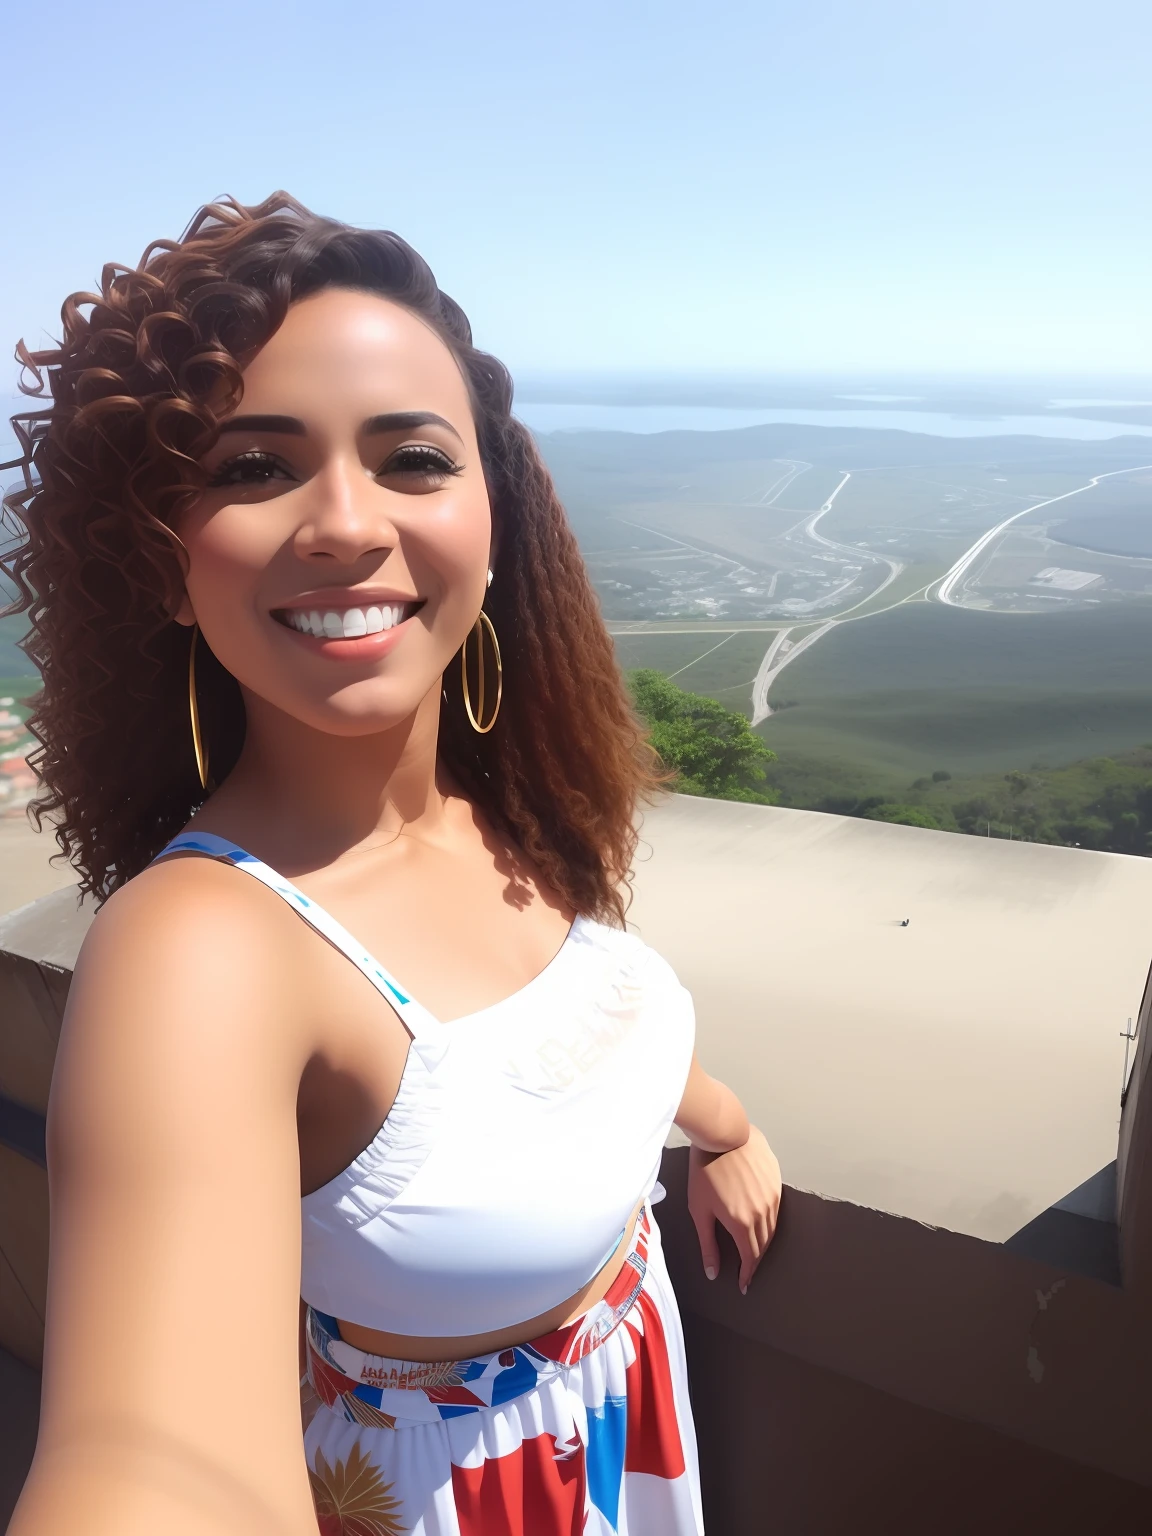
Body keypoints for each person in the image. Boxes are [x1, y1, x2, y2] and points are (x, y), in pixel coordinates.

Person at [3, 193, 781, 1536]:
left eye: (413, 457)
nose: (345, 523)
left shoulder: (507, 806)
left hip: (618, 1429)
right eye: (252, 468)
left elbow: (570, 1028)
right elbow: (152, 1471)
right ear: (164, 560)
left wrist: (724, 1124)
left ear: (496, 507)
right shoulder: (203, 949)